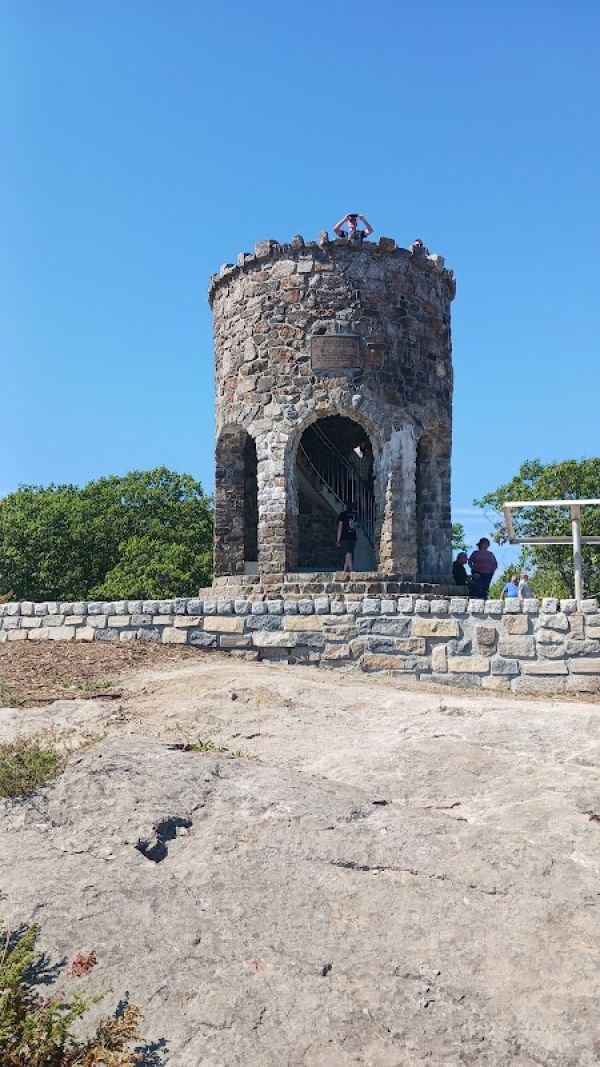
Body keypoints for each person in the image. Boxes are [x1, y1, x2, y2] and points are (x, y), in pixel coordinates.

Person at [336, 501, 359, 573]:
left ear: (346, 506)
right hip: (353, 536)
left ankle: (352, 570)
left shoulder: (342, 514)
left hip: (345, 536)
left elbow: (340, 527)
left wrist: (338, 539)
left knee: (348, 553)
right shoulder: (354, 515)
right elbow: (356, 525)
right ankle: (345, 570)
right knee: (349, 552)